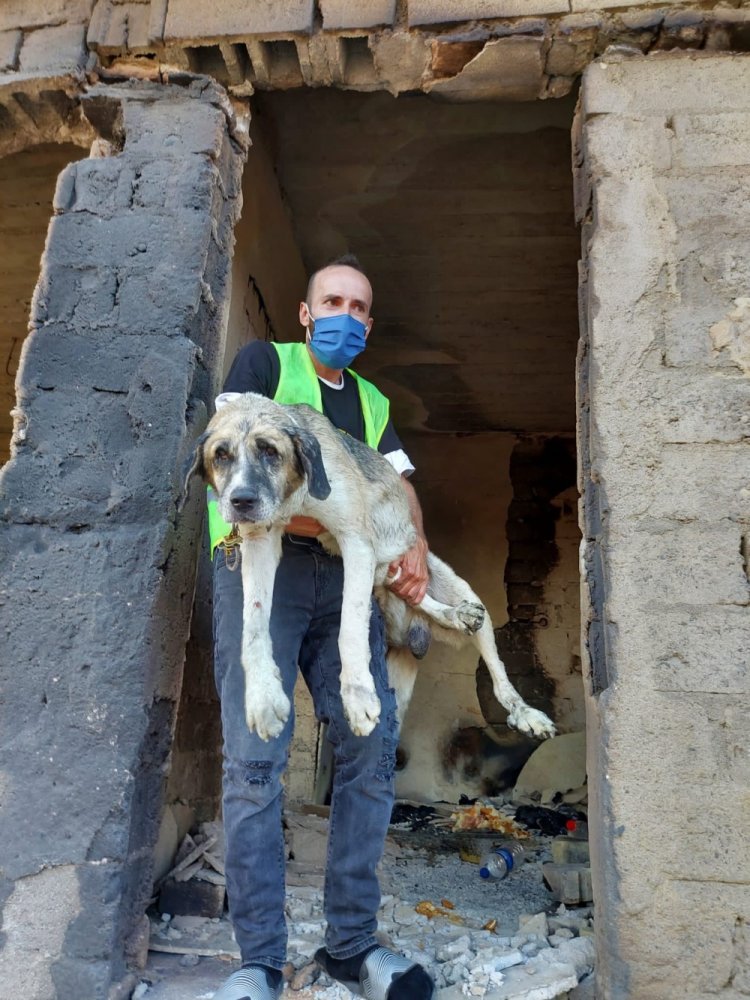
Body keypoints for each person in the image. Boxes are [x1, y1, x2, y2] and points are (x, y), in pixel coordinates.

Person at [211, 255, 436, 1000]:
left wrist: (418, 551)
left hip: (346, 578)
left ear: (369, 322)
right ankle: (260, 963)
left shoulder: (371, 401)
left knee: (369, 752)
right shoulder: (264, 364)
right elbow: (237, 461)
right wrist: (337, 519)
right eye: (331, 302)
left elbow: (396, 480)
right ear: (306, 313)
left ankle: (351, 947)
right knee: (254, 761)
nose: (344, 315)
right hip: (263, 571)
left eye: (358, 306)